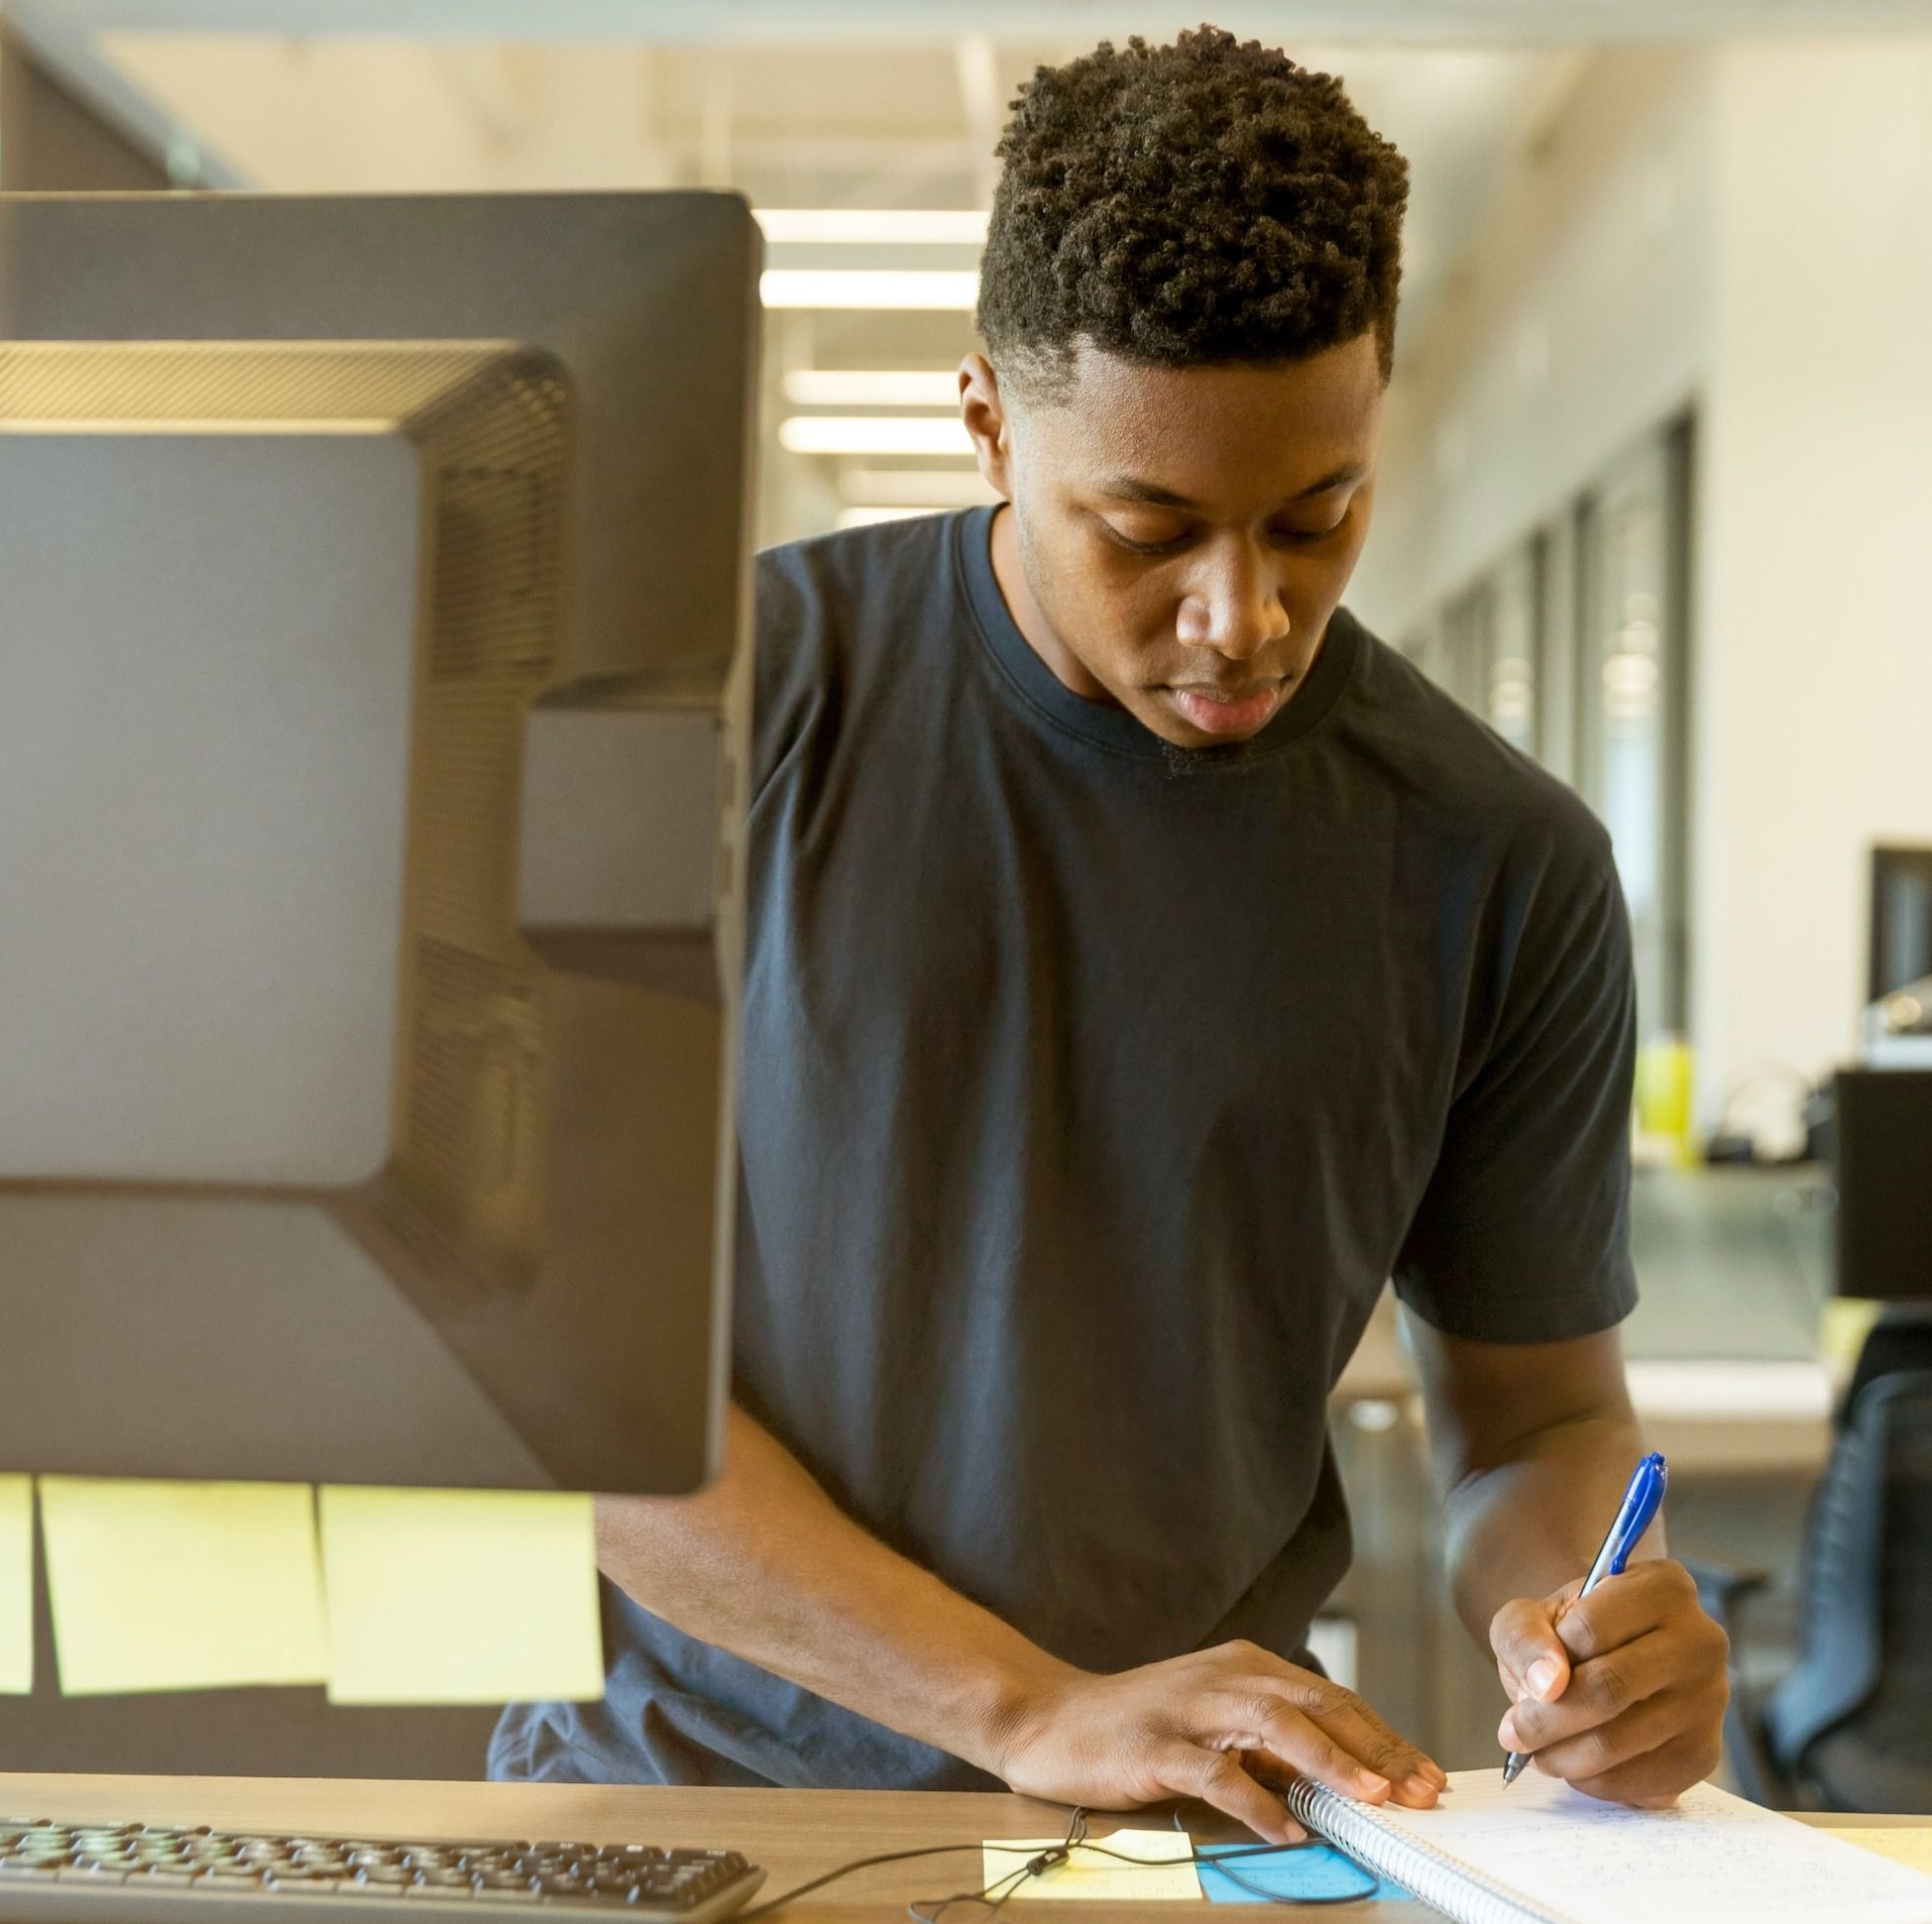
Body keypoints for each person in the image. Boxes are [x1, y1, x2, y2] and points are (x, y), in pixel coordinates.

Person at [491, 26, 1729, 1839]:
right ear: (988, 416)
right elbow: (546, 1366)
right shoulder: (714, 716)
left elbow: (1537, 1426)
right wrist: (1019, 1704)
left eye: (1319, 518)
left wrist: (1590, 1635)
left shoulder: (1498, 860)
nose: (1245, 614)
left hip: (1185, 1833)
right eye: (1149, 529)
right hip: (685, 1809)